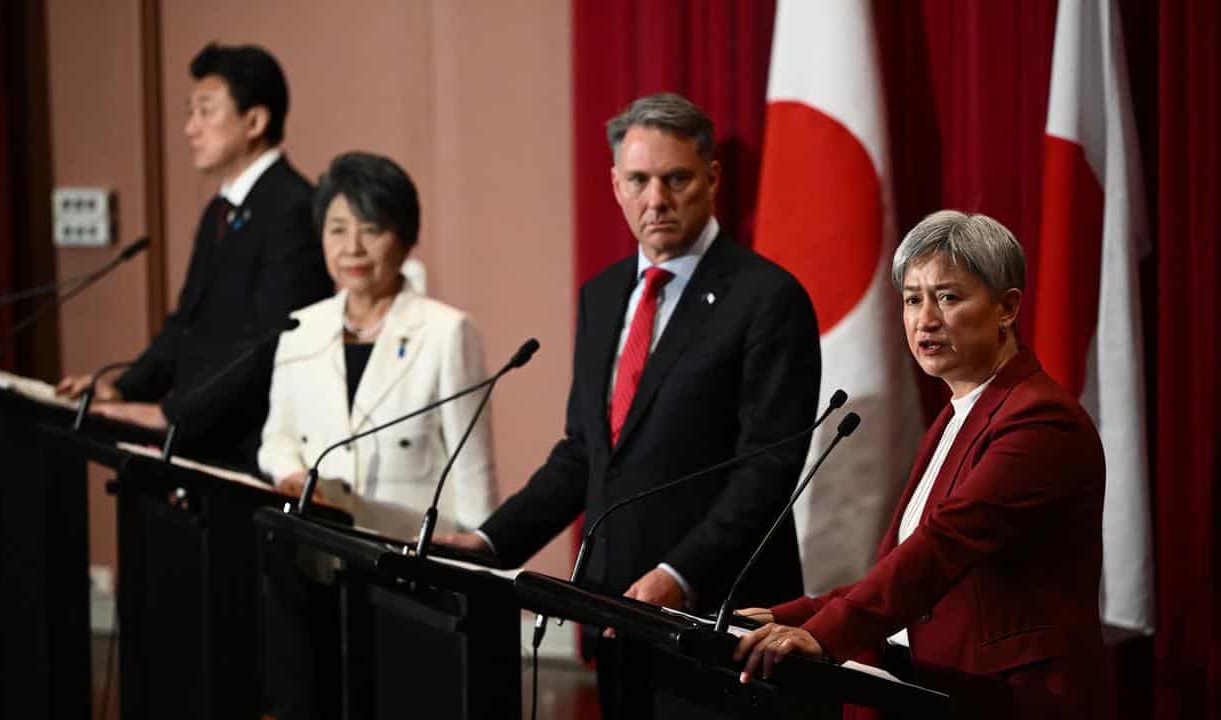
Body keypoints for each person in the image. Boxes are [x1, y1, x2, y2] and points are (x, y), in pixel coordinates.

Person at [436, 92, 821, 716]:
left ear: (712, 179)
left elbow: (767, 473)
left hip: (721, 624)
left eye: (676, 180)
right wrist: (489, 543)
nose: (656, 200)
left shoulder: (767, 299)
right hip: (614, 613)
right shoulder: (604, 294)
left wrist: (679, 575)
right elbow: (586, 455)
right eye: (639, 180)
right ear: (615, 184)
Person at [733, 210, 1111, 718]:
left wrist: (820, 636)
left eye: (949, 297)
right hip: (943, 690)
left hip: (1014, 700)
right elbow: (902, 560)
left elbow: (941, 548)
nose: (924, 319)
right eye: (913, 299)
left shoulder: (1038, 420)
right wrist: (783, 616)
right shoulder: (957, 414)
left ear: (1006, 308)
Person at [55, 43, 332, 469]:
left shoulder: (292, 208)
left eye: (206, 111)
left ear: (255, 121)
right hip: (201, 441)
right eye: (191, 112)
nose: (189, 128)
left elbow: (271, 346)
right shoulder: (219, 210)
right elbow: (187, 324)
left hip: (245, 451)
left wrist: (173, 414)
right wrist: (125, 390)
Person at [257, 151, 498, 535]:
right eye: (337, 229)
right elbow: (277, 438)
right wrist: (293, 474)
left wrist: (478, 564)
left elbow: (473, 471)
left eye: (371, 229)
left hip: (411, 563)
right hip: (319, 551)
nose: (352, 247)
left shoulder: (446, 333)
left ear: (405, 238)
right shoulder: (300, 329)